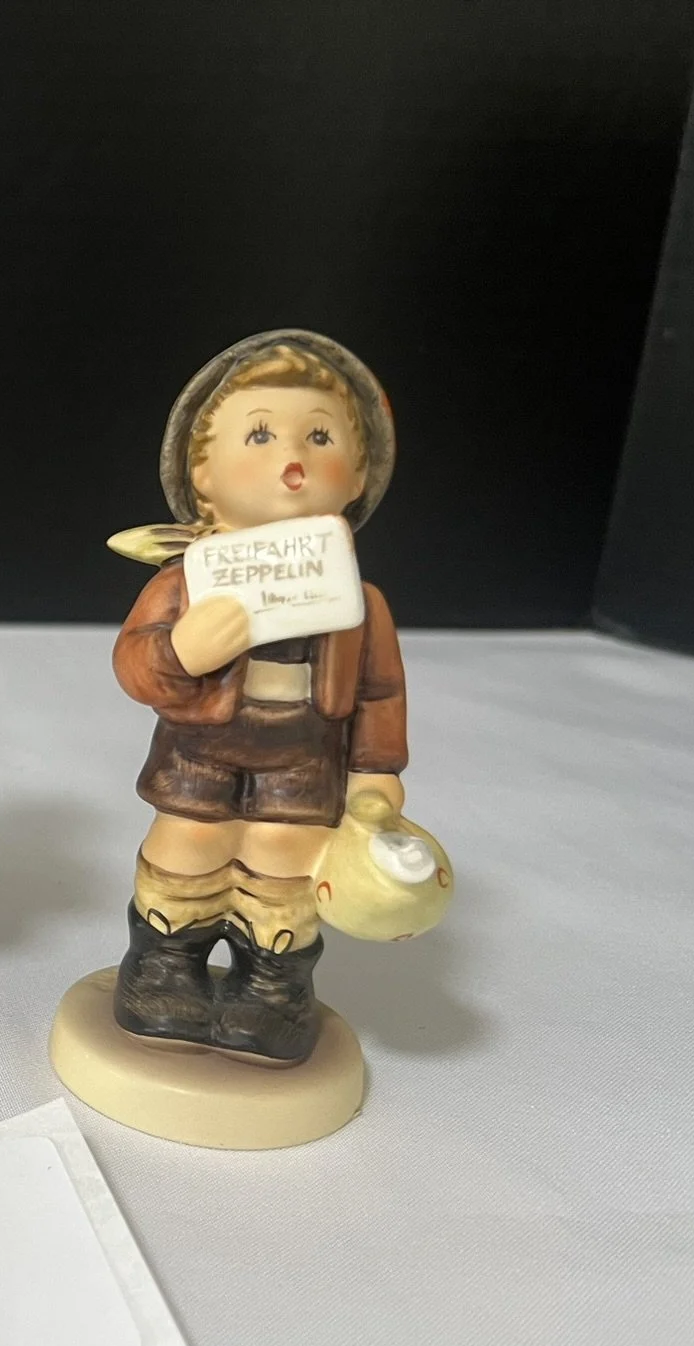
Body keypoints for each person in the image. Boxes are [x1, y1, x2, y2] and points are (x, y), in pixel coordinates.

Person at [109, 331, 406, 1063]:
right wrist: (181, 650)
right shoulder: (186, 582)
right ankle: (166, 965)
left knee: (285, 855)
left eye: (320, 436)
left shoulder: (359, 603)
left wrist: (376, 772)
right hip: (199, 749)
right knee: (188, 841)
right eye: (261, 434)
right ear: (201, 473)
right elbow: (134, 664)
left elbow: (379, 691)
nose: (291, 457)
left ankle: (271, 985)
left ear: (358, 474)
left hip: (303, 757)